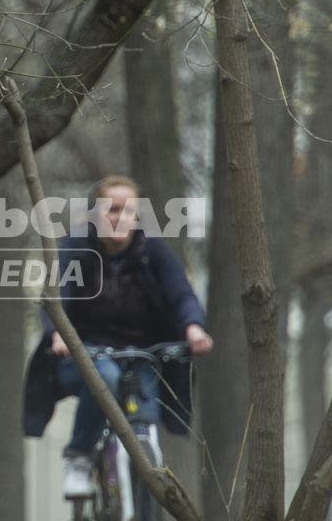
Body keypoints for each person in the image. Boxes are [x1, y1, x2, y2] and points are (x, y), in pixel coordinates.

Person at [22, 175, 212, 496]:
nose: (120, 217)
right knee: (105, 378)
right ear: (95, 214)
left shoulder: (153, 252)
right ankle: (80, 459)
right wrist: (57, 335)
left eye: (128, 211)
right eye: (112, 210)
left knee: (147, 419)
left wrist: (193, 327)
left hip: (141, 357)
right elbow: (58, 297)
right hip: (82, 356)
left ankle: (145, 519)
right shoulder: (76, 248)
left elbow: (181, 295)